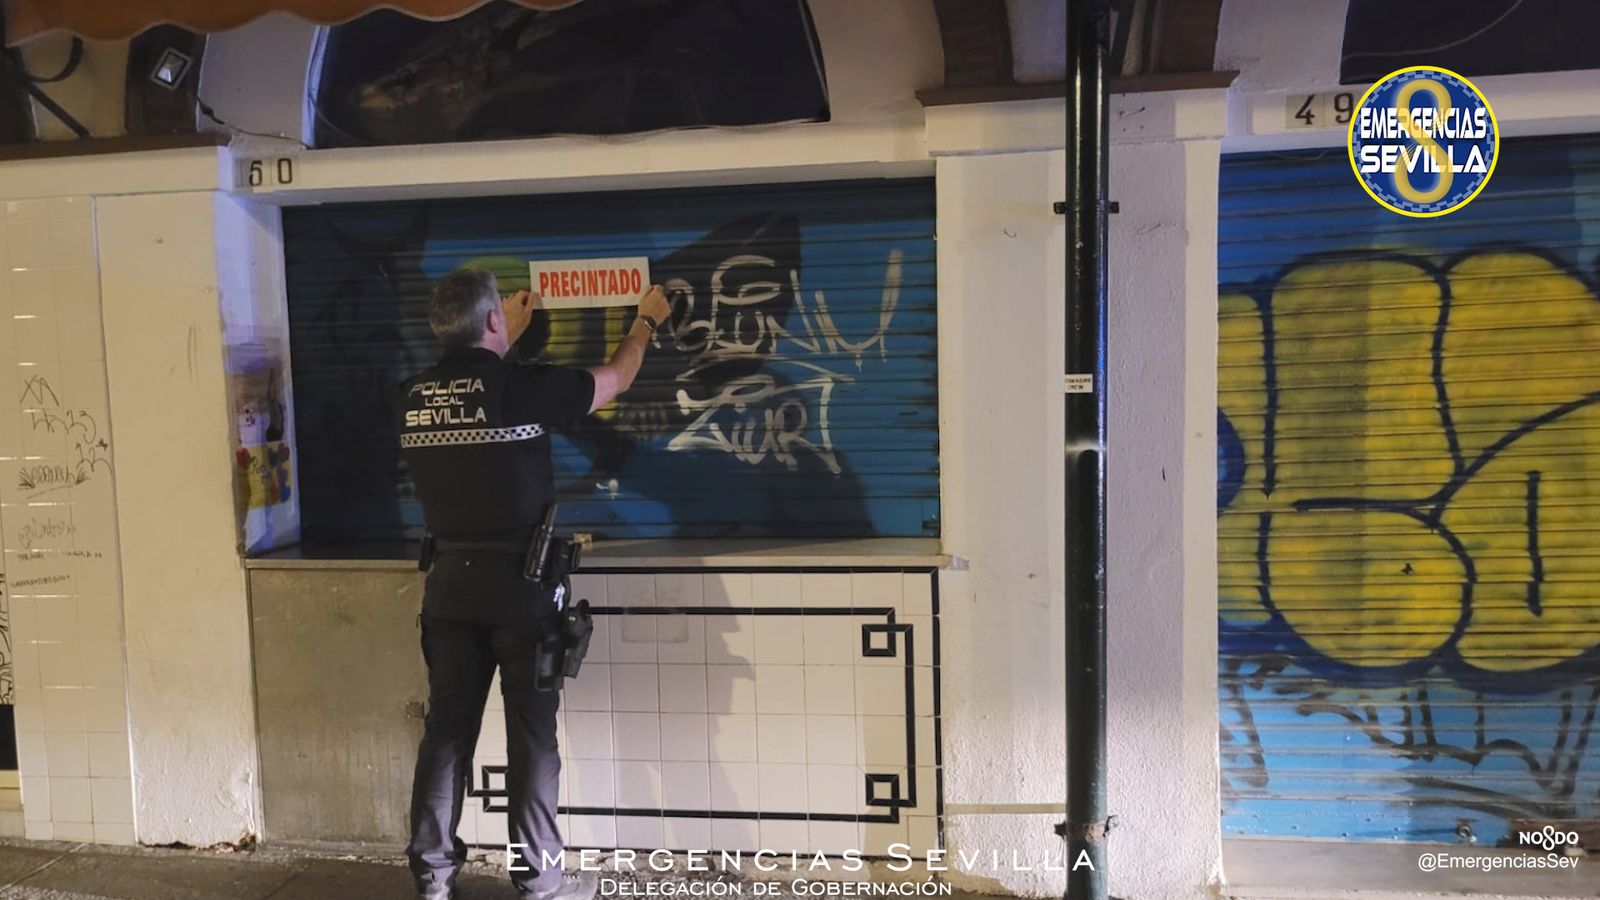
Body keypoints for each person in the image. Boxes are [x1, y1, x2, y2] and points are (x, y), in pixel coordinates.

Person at [399, 267, 672, 900]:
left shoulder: (409, 396)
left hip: (448, 588)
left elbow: (470, 399)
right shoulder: (522, 390)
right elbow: (617, 378)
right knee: (530, 737)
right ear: (494, 320)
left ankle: (432, 878)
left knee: (447, 733)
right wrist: (645, 320)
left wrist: (503, 342)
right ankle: (541, 881)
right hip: (521, 589)